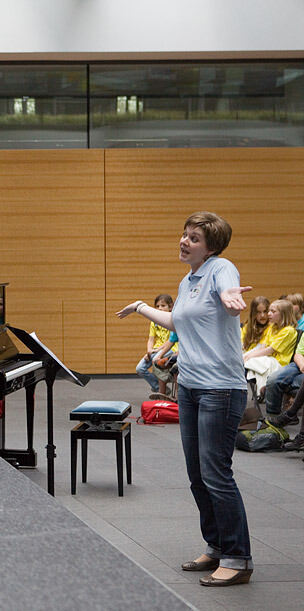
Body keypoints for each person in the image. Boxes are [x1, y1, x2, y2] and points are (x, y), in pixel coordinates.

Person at [117, 211, 253, 586]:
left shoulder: (221, 268)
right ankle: (216, 545)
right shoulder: (188, 280)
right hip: (190, 388)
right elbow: (178, 321)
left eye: (193, 238)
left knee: (216, 474)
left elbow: (228, 290)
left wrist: (229, 296)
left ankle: (238, 557)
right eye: (184, 235)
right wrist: (143, 307)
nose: (184, 241)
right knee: (197, 475)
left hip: (220, 389)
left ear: (210, 246)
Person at [243, 298, 297, 391]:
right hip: (268, 359)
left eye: (273, 311)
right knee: (246, 360)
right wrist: (247, 355)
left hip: (277, 363)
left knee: (249, 362)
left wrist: (249, 357)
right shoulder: (272, 327)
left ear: (283, 314)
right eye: (269, 311)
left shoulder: (288, 331)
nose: (268, 314)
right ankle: (262, 387)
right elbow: (263, 346)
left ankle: (262, 388)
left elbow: (270, 350)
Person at [135, 294, 176, 392]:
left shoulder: (172, 320)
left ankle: (162, 389)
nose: (160, 308)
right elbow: (151, 339)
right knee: (140, 368)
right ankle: (160, 388)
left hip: (171, 349)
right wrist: (149, 351)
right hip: (156, 350)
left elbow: (170, 341)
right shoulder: (154, 321)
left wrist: (156, 351)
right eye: (157, 306)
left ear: (170, 307)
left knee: (155, 360)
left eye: (163, 306)